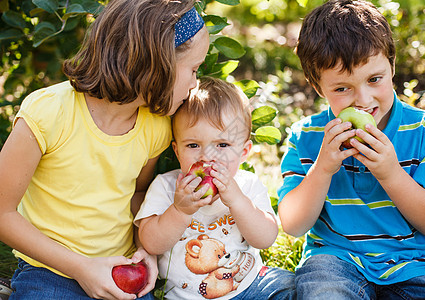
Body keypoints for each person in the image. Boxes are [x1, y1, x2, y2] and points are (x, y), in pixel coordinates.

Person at [0, 0, 209, 299]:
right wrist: (82, 268)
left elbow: (138, 195)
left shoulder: (155, 126)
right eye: (193, 70)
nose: (195, 83)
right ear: (153, 65)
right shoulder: (48, 113)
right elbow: (2, 214)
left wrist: (144, 249)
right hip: (50, 272)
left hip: (122, 269)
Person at [277, 0, 425, 299]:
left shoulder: (424, 131)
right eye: (342, 88)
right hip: (336, 260)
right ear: (319, 88)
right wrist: (323, 169)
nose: (362, 99)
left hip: (417, 264)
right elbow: (292, 225)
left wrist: (391, 174)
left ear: (392, 67)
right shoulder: (307, 136)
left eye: (374, 79)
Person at [135, 77, 296, 299]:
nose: (207, 156)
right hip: (184, 297)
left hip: (248, 288)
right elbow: (151, 243)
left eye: (222, 145)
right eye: (193, 145)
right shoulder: (166, 186)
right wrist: (180, 210)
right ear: (177, 150)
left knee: (289, 286)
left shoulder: (246, 185)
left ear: (243, 151)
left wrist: (238, 201)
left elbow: (266, 238)